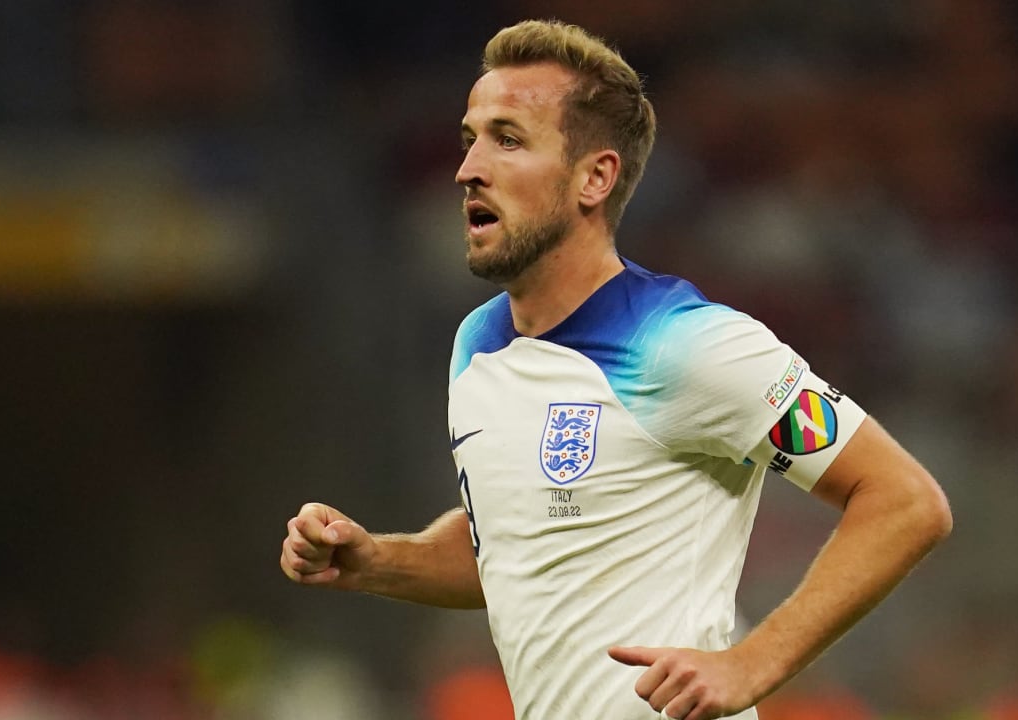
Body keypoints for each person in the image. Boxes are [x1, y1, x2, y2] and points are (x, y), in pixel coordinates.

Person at [279, 19, 952, 720]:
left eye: (507, 139)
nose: (468, 168)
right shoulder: (477, 346)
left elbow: (903, 499)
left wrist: (752, 662)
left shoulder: (687, 344)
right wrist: (379, 560)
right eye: (469, 138)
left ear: (594, 177)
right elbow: (519, 548)